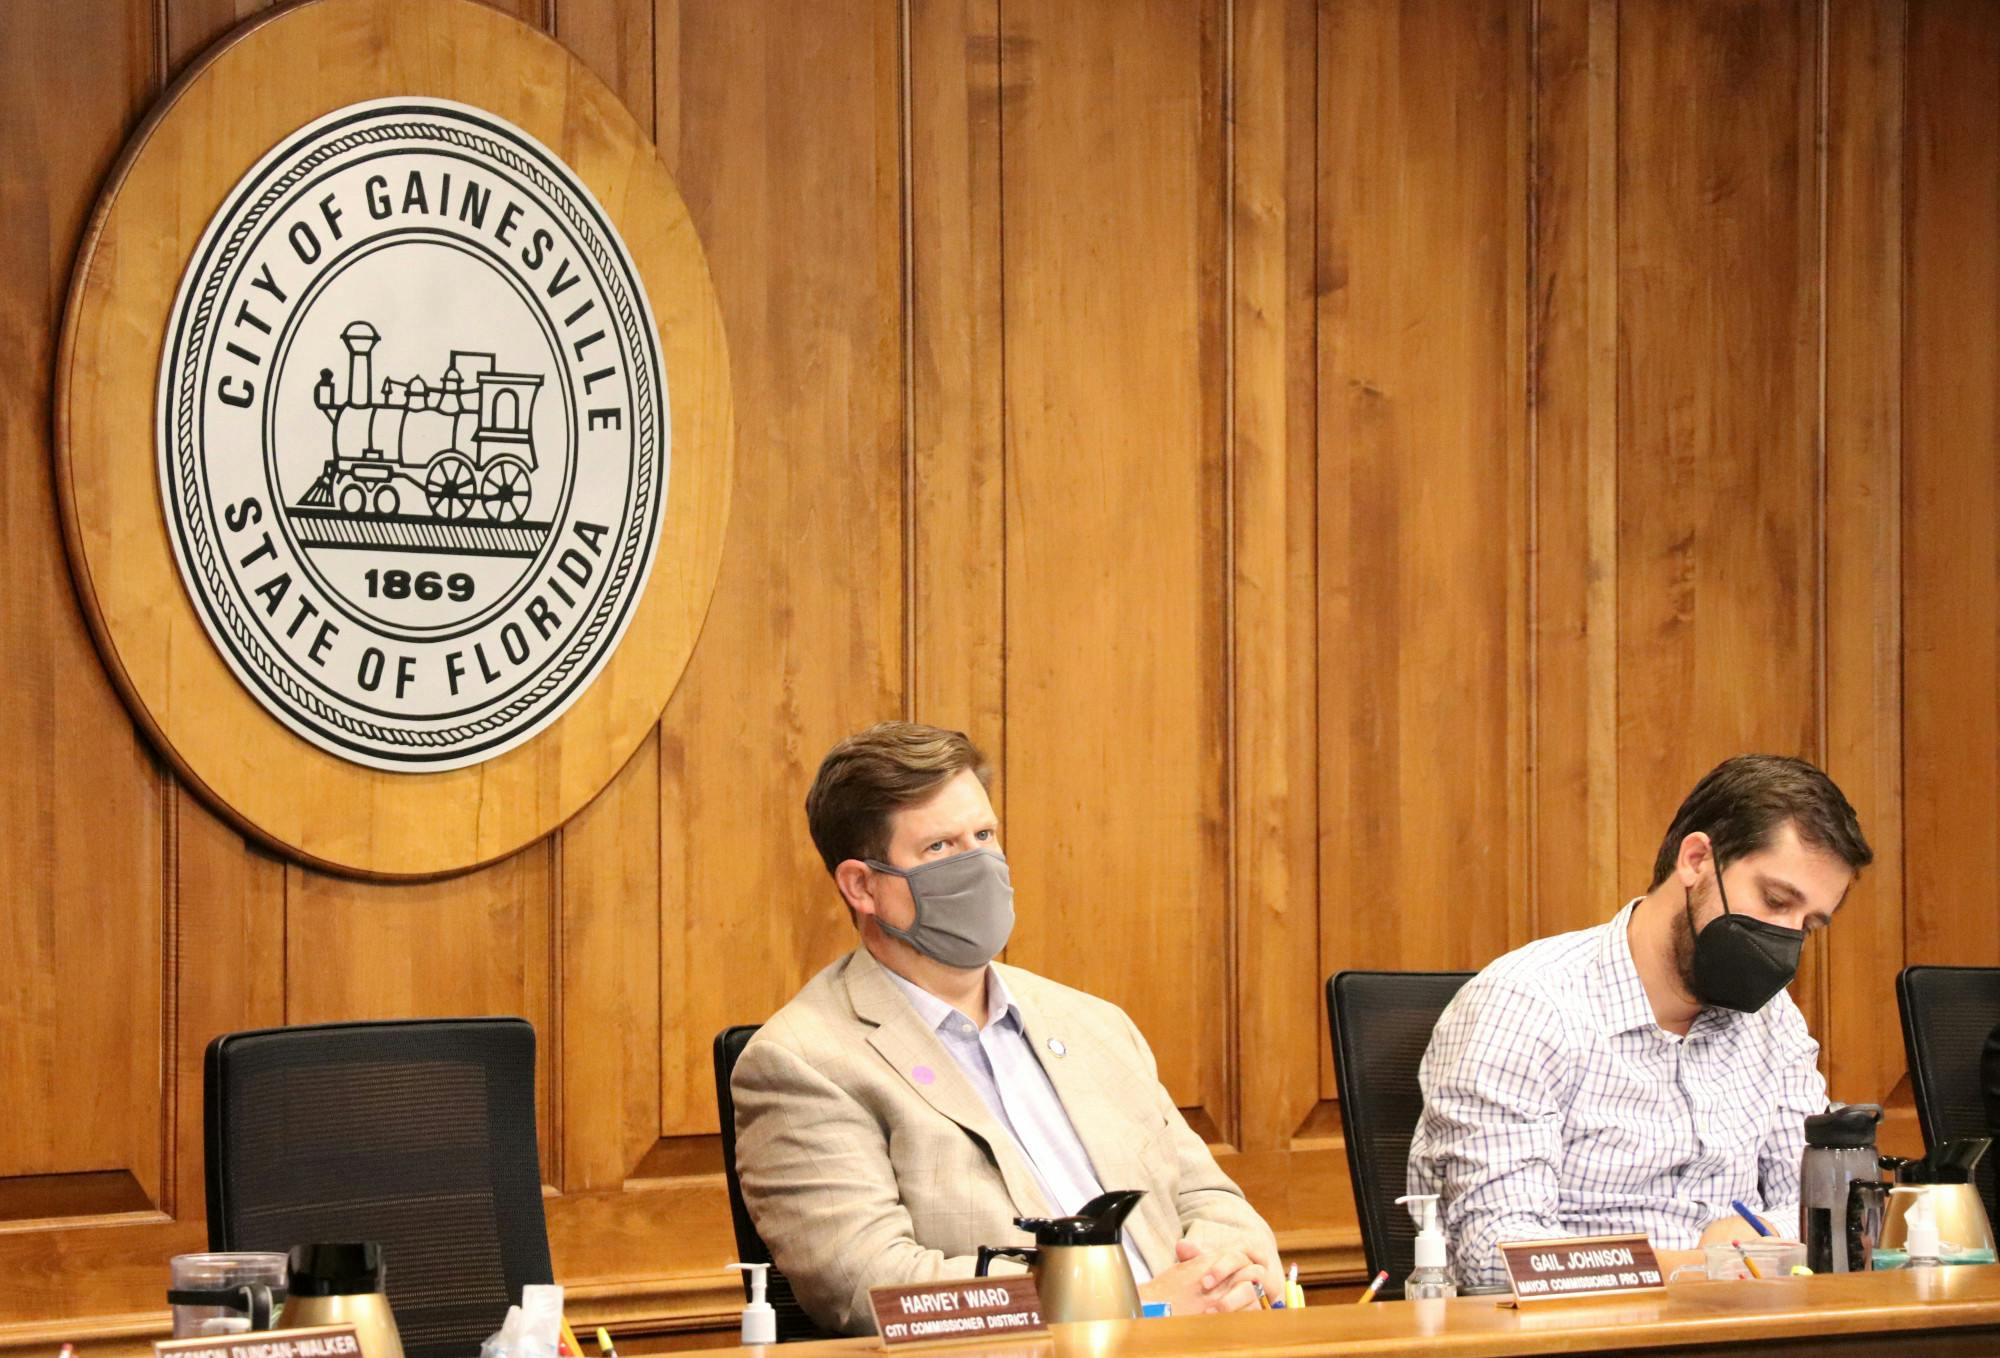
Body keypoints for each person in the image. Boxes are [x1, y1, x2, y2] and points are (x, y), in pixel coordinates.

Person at [731, 722, 1285, 1335]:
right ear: (862, 886)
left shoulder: (1095, 1024)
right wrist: (1132, 1308)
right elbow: (872, 1286)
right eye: (940, 848)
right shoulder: (801, 1061)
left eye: (984, 835)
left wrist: (1217, 1275)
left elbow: (1212, 1200)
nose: (978, 863)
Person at [1407, 754, 1873, 1287]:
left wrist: (1758, 1233)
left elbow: (1826, 1206)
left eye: (1808, 925)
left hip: (1746, 1330)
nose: (1786, 938)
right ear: (1696, 860)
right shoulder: (1523, 1005)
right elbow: (1499, 1259)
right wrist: (1702, 1268)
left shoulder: (1772, 1020)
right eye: (1773, 901)